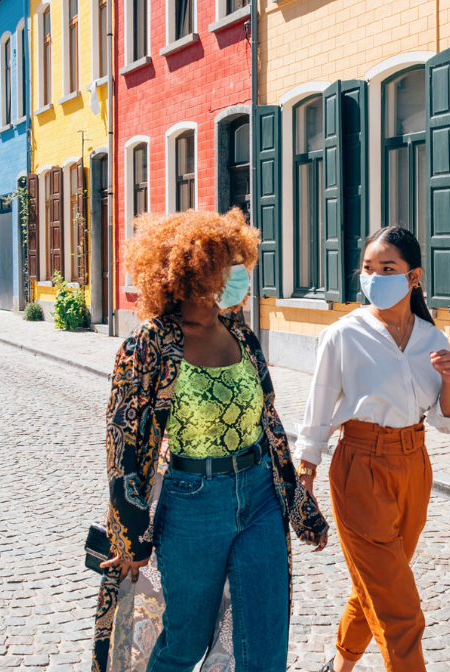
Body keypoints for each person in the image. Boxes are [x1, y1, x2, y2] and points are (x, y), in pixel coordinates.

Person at [94, 209, 330, 672]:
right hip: (191, 504)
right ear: (194, 269)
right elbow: (122, 444)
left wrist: (300, 504)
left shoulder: (241, 333)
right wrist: (129, 536)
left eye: (238, 260)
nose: (240, 274)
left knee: (264, 644)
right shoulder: (152, 343)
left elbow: (269, 421)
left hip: (260, 495)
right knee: (184, 642)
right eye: (227, 264)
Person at [297, 226, 450, 672]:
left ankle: (339, 666)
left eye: (387, 268)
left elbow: (447, 421)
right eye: (368, 268)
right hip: (360, 467)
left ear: (414, 277)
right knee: (400, 607)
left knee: (377, 584)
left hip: (414, 467)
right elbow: (318, 408)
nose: (374, 277)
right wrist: (305, 476)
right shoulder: (344, 334)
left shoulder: (433, 338)